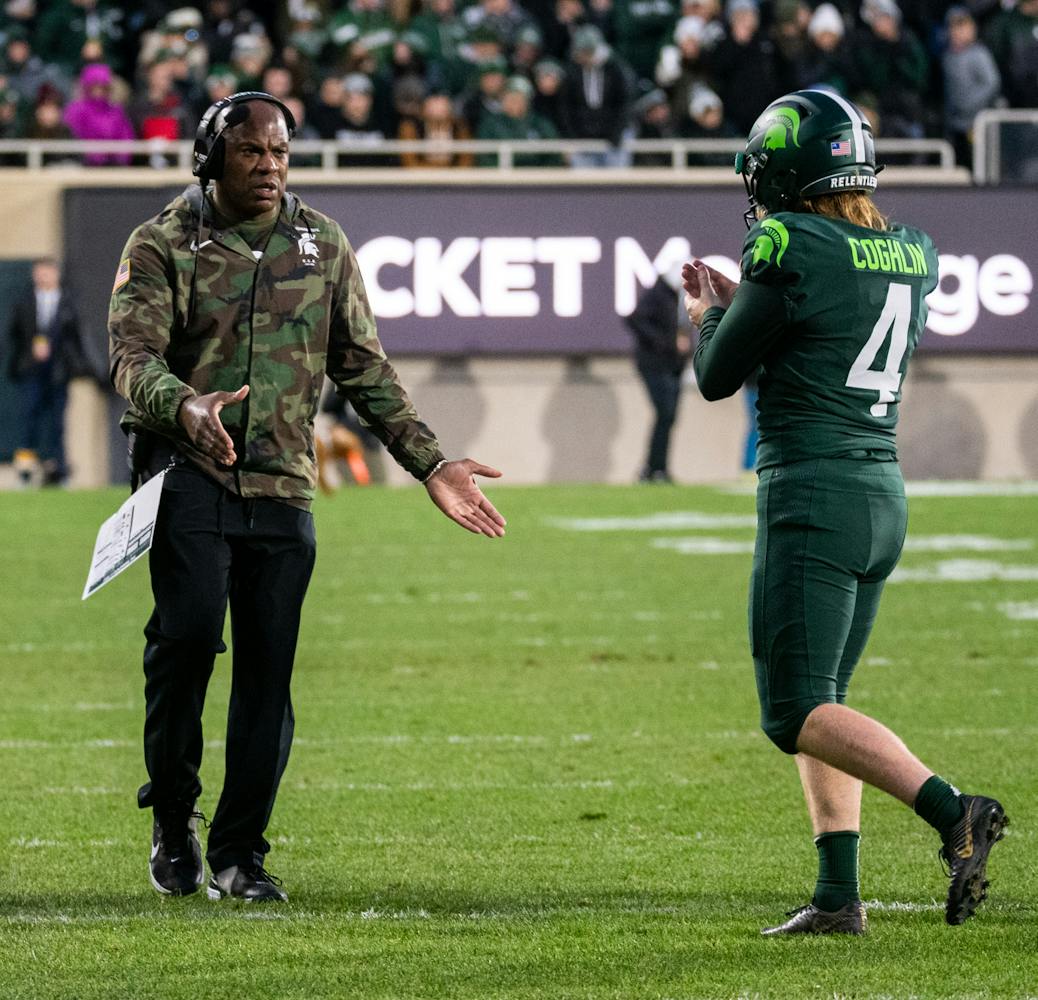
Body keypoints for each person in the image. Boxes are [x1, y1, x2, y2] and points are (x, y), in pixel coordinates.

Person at [107, 92, 506, 904]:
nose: (270, 166)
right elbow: (131, 356)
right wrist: (184, 405)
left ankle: (239, 854)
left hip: (284, 482)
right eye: (252, 151)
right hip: (187, 471)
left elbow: (363, 365)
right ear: (210, 158)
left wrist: (430, 463)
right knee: (186, 640)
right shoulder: (161, 242)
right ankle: (173, 818)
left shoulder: (322, 243)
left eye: (281, 152)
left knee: (269, 669)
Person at [682, 88, 1007, 934]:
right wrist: (749, 302)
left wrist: (708, 315)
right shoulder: (908, 250)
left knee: (793, 712)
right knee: (823, 704)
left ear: (788, 170)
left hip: (814, 491)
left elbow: (717, 376)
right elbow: (820, 325)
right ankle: (837, 897)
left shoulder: (789, 242)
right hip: (880, 493)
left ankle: (955, 812)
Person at [7, 257, 92, 487]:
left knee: (57, 423)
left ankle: (60, 471)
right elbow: (15, 335)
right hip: (31, 371)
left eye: (46, 272)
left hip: (58, 372)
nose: (42, 277)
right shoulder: (24, 301)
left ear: (56, 274)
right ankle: (25, 472)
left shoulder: (68, 302)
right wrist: (30, 351)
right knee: (29, 420)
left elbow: (77, 337)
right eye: (39, 272)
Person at [625, 258, 690, 482]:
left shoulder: (677, 297)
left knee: (668, 416)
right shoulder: (658, 294)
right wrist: (666, 343)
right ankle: (655, 467)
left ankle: (657, 467)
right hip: (656, 364)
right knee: (665, 414)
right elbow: (635, 319)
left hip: (673, 365)